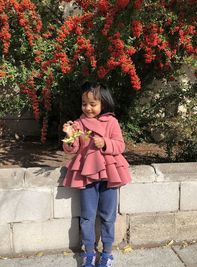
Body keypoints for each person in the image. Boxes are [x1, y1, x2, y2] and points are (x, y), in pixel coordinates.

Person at [62, 82, 131, 267]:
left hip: (110, 174)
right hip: (87, 174)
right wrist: (69, 135)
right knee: (87, 216)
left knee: (108, 216)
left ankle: (107, 253)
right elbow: (72, 148)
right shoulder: (78, 123)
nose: (88, 108)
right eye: (84, 103)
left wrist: (106, 143)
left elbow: (120, 145)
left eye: (93, 104)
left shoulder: (112, 122)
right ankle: (89, 253)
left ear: (104, 103)